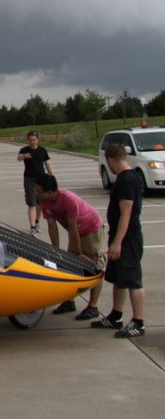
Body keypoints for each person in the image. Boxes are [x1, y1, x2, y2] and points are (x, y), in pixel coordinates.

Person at [91, 142, 146, 338]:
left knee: (132, 280)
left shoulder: (126, 181)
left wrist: (117, 242)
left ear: (111, 160)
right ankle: (116, 316)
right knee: (119, 279)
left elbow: (126, 213)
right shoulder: (127, 178)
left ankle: (138, 322)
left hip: (128, 238)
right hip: (120, 236)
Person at [34, 173, 104, 319]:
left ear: (51, 192)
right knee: (70, 266)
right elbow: (52, 227)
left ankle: (93, 306)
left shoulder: (68, 199)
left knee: (94, 266)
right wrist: (55, 251)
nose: (36, 193)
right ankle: (69, 301)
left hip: (90, 229)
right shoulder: (44, 201)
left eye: (39, 191)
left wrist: (77, 251)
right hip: (76, 231)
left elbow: (73, 227)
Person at [17, 130, 54, 234]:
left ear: (37, 140)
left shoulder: (42, 150)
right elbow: (18, 158)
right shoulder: (24, 150)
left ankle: (37, 221)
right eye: (30, 140)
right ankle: (32, 226)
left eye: (34, 140)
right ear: (28, 140)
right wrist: (24, 156)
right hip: (29, 179)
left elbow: (47, 162)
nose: (32, 142)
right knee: (31, 203)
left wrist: (52, 175)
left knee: (39, 203)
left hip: (41, 179)